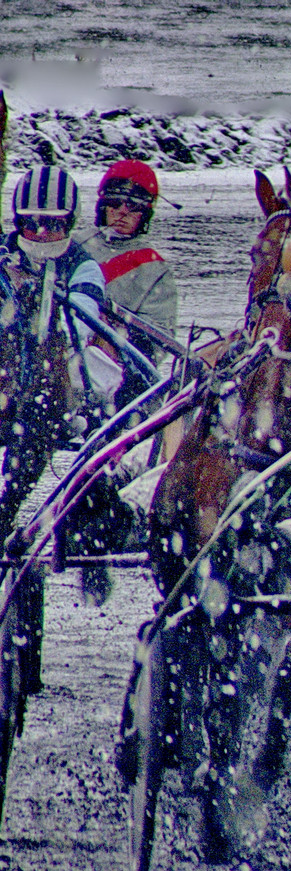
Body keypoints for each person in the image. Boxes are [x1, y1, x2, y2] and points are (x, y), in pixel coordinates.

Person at [1, 165, 117, 601]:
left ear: (69, 223)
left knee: (45, 409)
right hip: (5, 367)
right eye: (32, 222)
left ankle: (8, 507)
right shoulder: (2, 256)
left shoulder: (82, 267)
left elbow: (80, 323)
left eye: (53, 224)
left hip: (55, 376)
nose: (42, 232)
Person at [72, 159, 177, 383]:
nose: (122, 212)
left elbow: (159, 340)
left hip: (118, 372)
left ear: (145, 214)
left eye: (134, 206)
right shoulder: (72, 246)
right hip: (65, 350)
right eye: (115, 202)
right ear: (103, 205)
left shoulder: (155, 269)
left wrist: (109, 334)